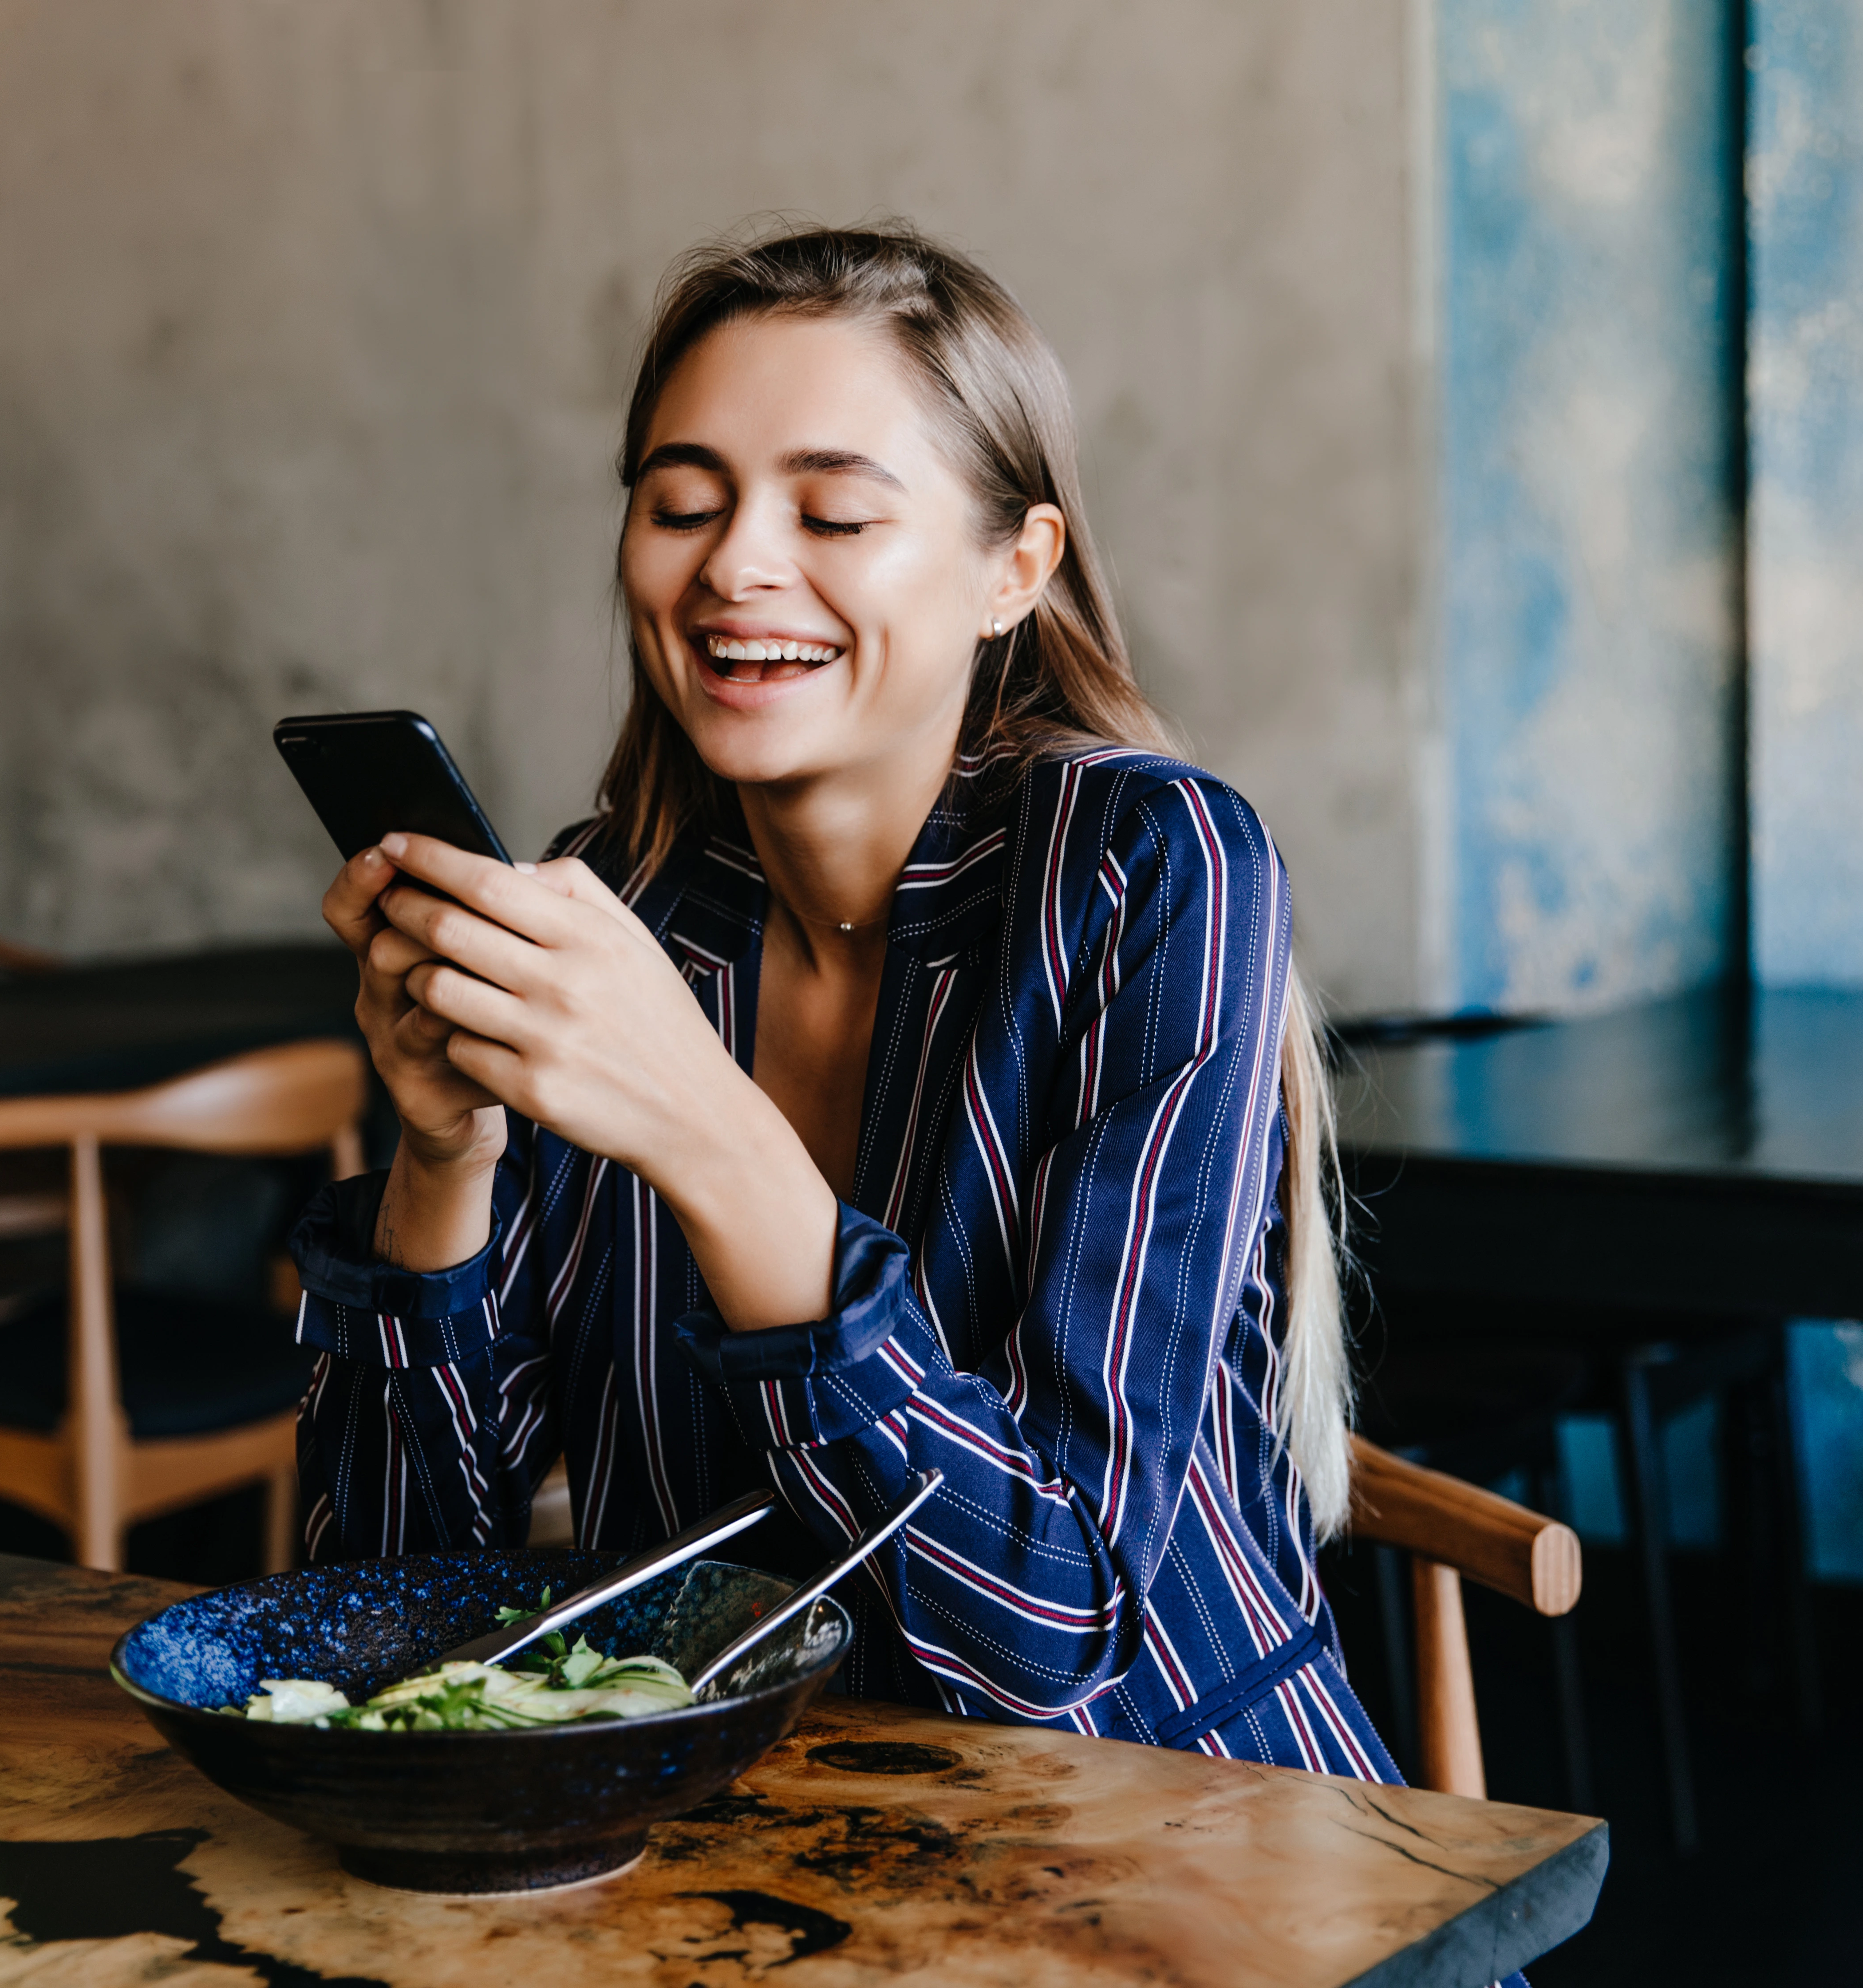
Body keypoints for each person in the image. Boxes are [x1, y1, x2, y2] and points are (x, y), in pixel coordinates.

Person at [291, 222, 1397, 1783]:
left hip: (1172, 1819)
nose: (735, 565)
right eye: (683, 503)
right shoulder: (618, 909)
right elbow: (386, 1608)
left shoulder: (1149, 867)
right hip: (746, 1827)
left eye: (833, 513)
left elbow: (1051, 1631)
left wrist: (708, 1131)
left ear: (1016, 569)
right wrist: (442, 1159)